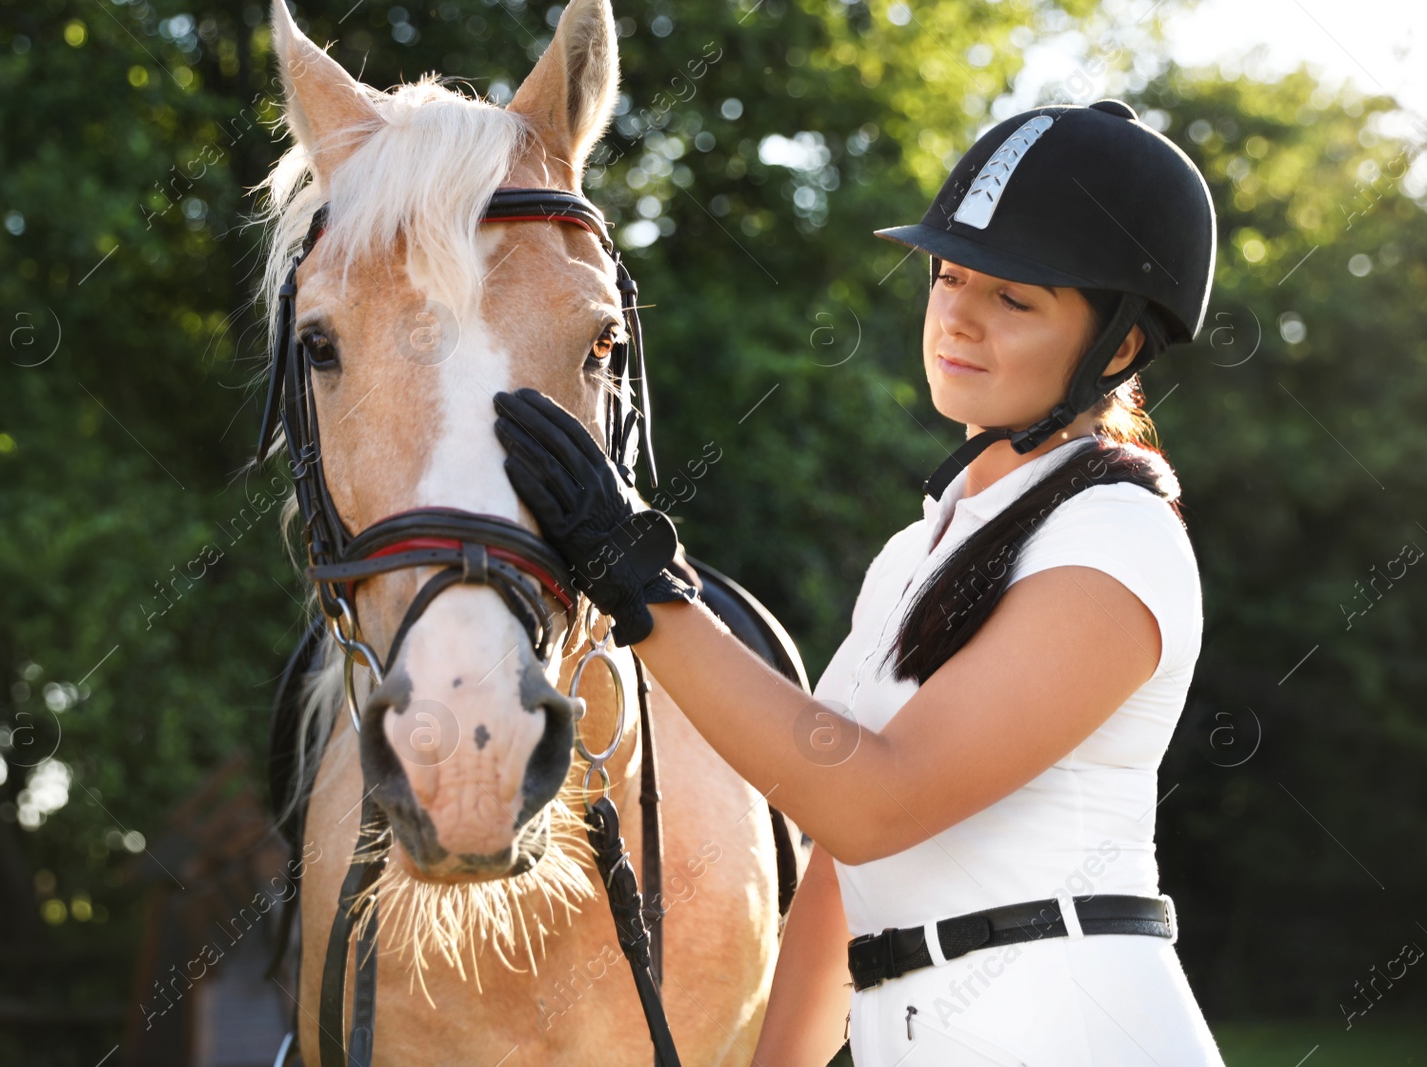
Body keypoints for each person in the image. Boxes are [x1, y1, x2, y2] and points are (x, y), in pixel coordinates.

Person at [493, 98, 1225, 1066]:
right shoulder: (916, 551)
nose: (957, 314)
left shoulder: (1116, 535)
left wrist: (639, 577)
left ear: (1120, 345)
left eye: (1014, 298)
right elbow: (842, 871)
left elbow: (876, 801)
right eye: (951, 274)